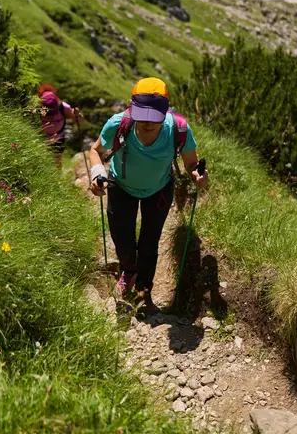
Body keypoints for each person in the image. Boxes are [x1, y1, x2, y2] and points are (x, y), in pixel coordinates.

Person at [89, 77, 208, 312]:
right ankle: (128, 272)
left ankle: (144, 288)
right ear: (132, 108)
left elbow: (191, 163)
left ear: (165, 112)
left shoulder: (178, 128)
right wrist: (96, 173)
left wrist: (199, 176)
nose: (146, 124)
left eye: (153, 118)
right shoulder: (119, 123)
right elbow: (96, 150)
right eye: (141, 116)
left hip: (159, 190)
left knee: (148, 243)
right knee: (122, 240)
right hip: (120, 187)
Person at [37, 84, 81, 168]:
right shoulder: (62, 106)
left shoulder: (37, 106)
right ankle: (57, 177)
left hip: (41, 137)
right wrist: (77, 115)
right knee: (57, 160)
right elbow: (77, 120)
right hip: (58, 136)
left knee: (43, 161)